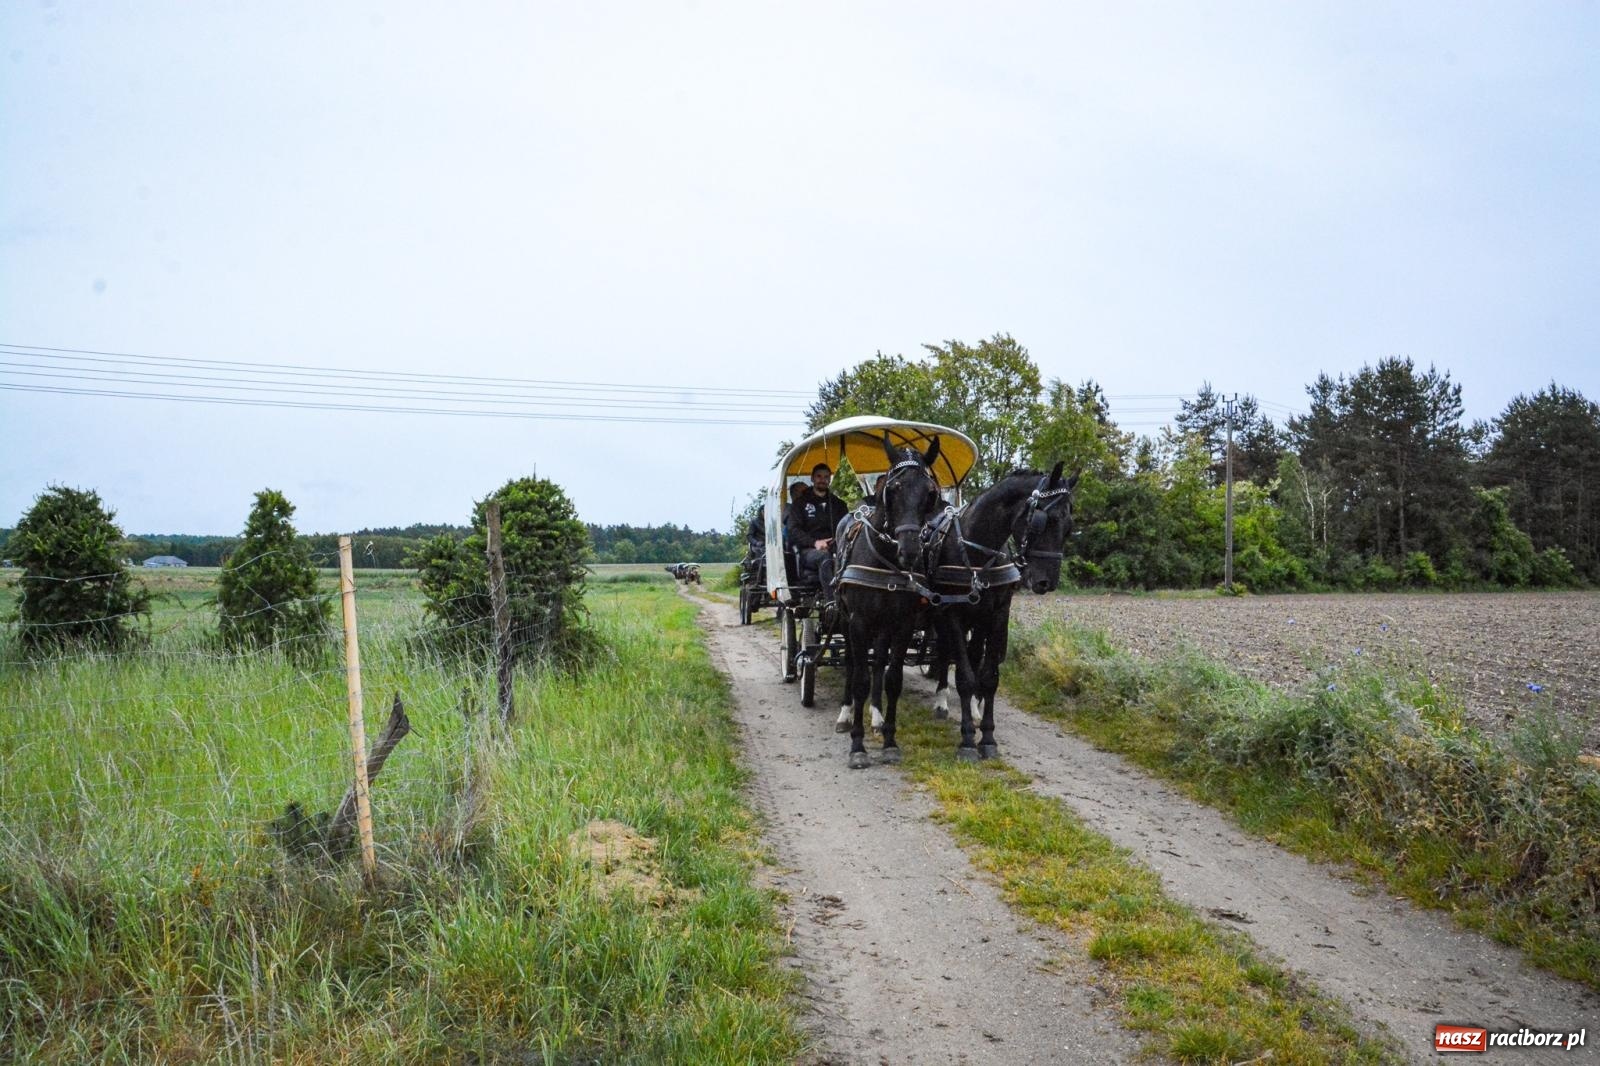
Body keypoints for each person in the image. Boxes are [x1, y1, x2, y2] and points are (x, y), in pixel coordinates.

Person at [786, 463, 849, 587]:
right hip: (809, 550)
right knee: (824, 557)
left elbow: (846, 527)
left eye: (826, 477)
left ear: (830, 480)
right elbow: (793, 530)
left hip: (837, 547)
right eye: (819, 476)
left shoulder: (839, 504)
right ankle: (832, 602)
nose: (823, 480)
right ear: (812, 478)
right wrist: (815, 542)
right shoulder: (800, 503)